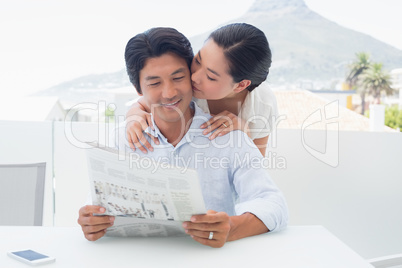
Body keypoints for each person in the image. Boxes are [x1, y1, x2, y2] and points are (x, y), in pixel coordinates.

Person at [77, 27, 288, 248]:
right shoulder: (122, 137)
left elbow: (271, 201)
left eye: (179, 77)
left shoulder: (237, 130)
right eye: (155, 83)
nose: (170, 92)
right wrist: (92, 219)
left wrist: (233, 227)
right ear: (137, 88)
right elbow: (96, 202)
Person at [125, 23, 278, 156]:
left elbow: (255, 168)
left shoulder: (262, 105)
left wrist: (244, 134)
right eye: (198, 60)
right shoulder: (187, 88)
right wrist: (133, 115)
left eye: (210, 76)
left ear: (241, 85)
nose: (194, 77)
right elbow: (143, 103)